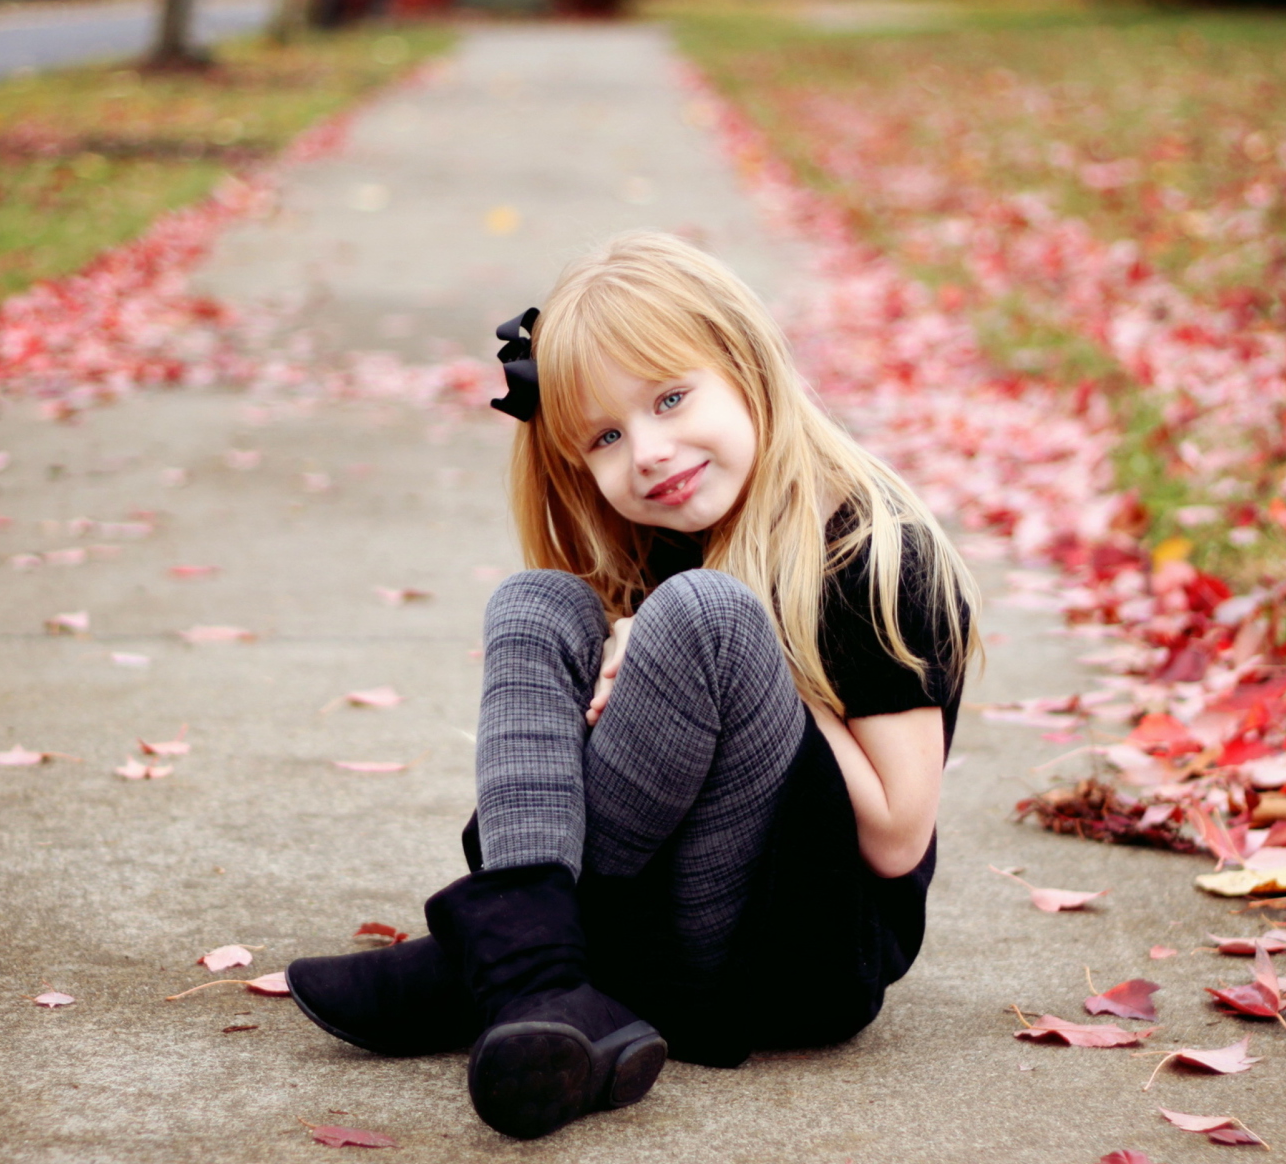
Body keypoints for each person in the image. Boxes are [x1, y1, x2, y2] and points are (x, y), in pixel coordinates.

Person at [286, 230, 979, 1140]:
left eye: (671, 398)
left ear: (748, 366)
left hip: (789, 955)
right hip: (649, 932)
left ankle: (494, 964)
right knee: (536, 602)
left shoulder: (875, 551)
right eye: (607, 437)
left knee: (707, 615)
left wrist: (747, 644)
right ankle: (540, 975)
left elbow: (896, 835)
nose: (647, 451)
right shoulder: (662, 539)